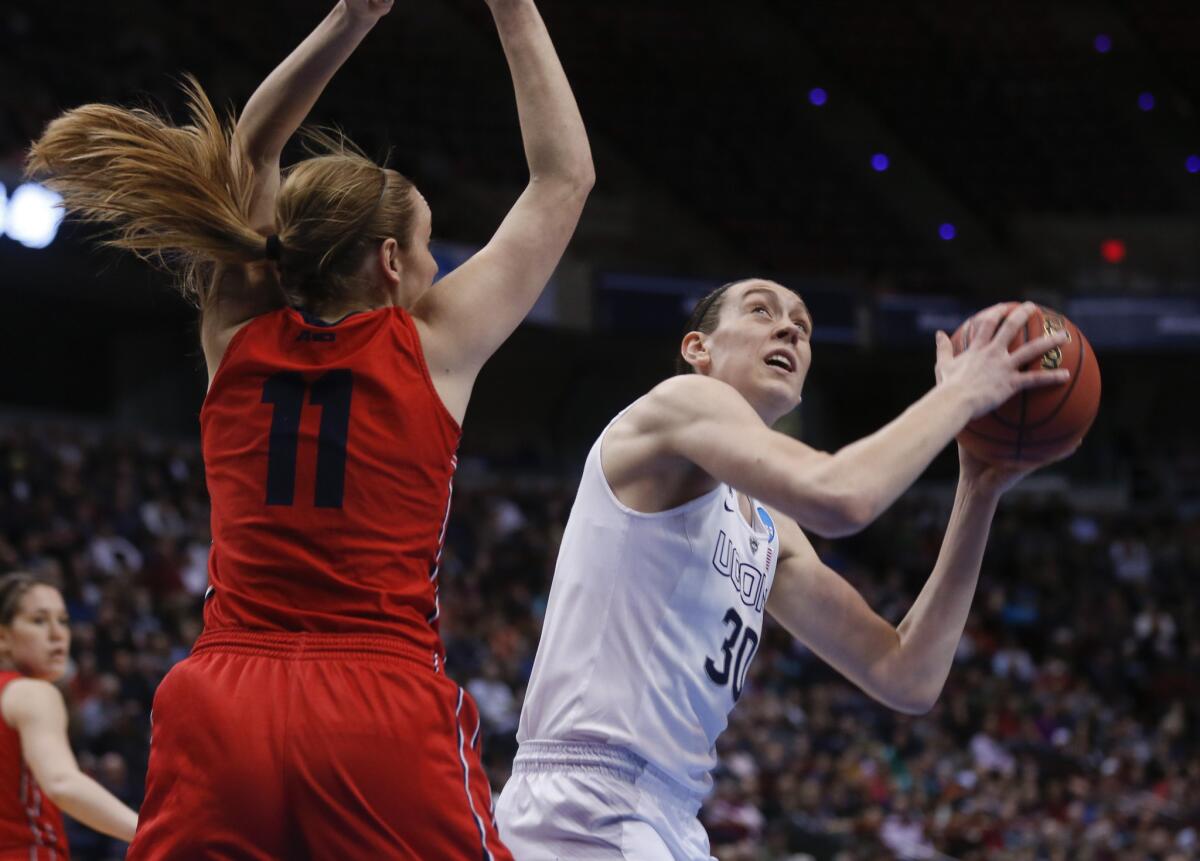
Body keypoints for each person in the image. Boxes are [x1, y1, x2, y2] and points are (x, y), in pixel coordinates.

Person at [27, 0, 592, 856]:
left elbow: (253, 146)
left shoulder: (238, 328)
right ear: (394, 261)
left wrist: (354, 13)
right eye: (432, 246)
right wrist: (512, 9)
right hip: (378, 698)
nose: (439, 266)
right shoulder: (433, 345)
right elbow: (562, 179)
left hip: (222, 697)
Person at [495, 280, 1072, 860]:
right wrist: (962, 397)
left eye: (803, 323)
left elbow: (906, 675)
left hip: (666, 815)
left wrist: (977, 488)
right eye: (761, 311)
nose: (791, 328)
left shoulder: (769, 529)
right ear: (699, 349)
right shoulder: (680, 401)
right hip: (581, 805)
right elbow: (843, 497)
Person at [0, 572, 138, 859]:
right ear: (3, 637)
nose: (57, 633)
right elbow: (62, 782)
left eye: (62, 620)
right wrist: (150, 833)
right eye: (38, 620)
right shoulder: (31, 692)